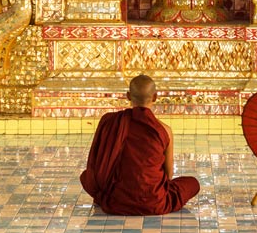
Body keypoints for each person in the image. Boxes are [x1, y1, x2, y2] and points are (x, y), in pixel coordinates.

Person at [80, 74, 200, 215]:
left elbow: (96, 166)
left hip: (116, 200)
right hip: (154, 201)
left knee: (85, 176)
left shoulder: (110, 122)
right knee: (193, 183)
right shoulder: (164, 130)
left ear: (128, 96)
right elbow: (168, 175)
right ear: (155, 97)